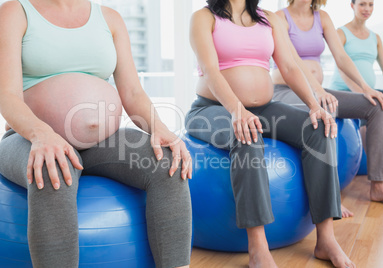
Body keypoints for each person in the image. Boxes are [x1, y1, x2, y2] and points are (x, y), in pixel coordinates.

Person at [0, 0, 192, 267]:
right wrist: (41, 133)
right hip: (29, 138)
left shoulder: (109, 19)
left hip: (102, 143)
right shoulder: (15, 12)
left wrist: (158, 126)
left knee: (167, 161)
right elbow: (7, 96)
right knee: (51, 168)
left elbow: (133, 92)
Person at [185, 0, 355, 267]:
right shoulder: (204, 18)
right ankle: (258, 248)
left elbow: (288, 67)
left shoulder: (268, 19)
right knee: (248, 135)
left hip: (264, 107)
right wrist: (237, 110)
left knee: (319, 130)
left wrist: (314, 105)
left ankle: (326, 240)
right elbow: (210, 70)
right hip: (213, 109)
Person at [271, 0, 383, 215]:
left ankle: (378, 185)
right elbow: (292, 61)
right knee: (325, 113)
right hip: (286, 91)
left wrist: (365, 88)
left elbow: (341, 56)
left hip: (318, 91)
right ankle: (330, 198)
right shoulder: (280, 18)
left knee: (377, 106)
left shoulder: (322, 18)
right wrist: (316, 91)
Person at [329, 0, 383, 114]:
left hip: (368, 92)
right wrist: (361, 93)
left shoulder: (375, 38)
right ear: (352, 6)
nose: (367, 9)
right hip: (344, 92)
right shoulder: (341, 33)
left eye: (370, 4)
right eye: (362, 4)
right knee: (375, 105)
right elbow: (341, 67)